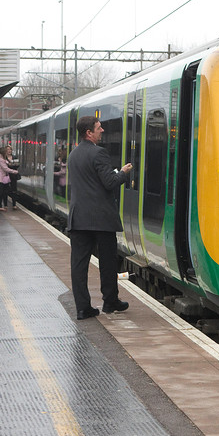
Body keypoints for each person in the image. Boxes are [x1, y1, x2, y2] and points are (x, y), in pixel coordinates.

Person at [68, 116, 133, 320]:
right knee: (107, 262)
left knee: (79, 265)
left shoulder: (73, 155)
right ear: (89, 132)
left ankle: (83, 308)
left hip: (78, 218)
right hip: (101, 219)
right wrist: (123, 172)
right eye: (98, 128)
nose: (102, 130)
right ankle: (110, 301)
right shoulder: (99, 153)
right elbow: (109, 182)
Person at [5, 145, 20, 210]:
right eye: (8, 149)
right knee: (5, 190)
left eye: (10, 149)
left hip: (13, 176)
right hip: (6, 176)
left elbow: (17, 165)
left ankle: (14, 204)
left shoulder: (15, 157)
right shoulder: (4, 158)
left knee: (14, 190)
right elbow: (4, 166)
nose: (9, 151)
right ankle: (5, 205)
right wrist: (12, 165)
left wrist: (9, 165)